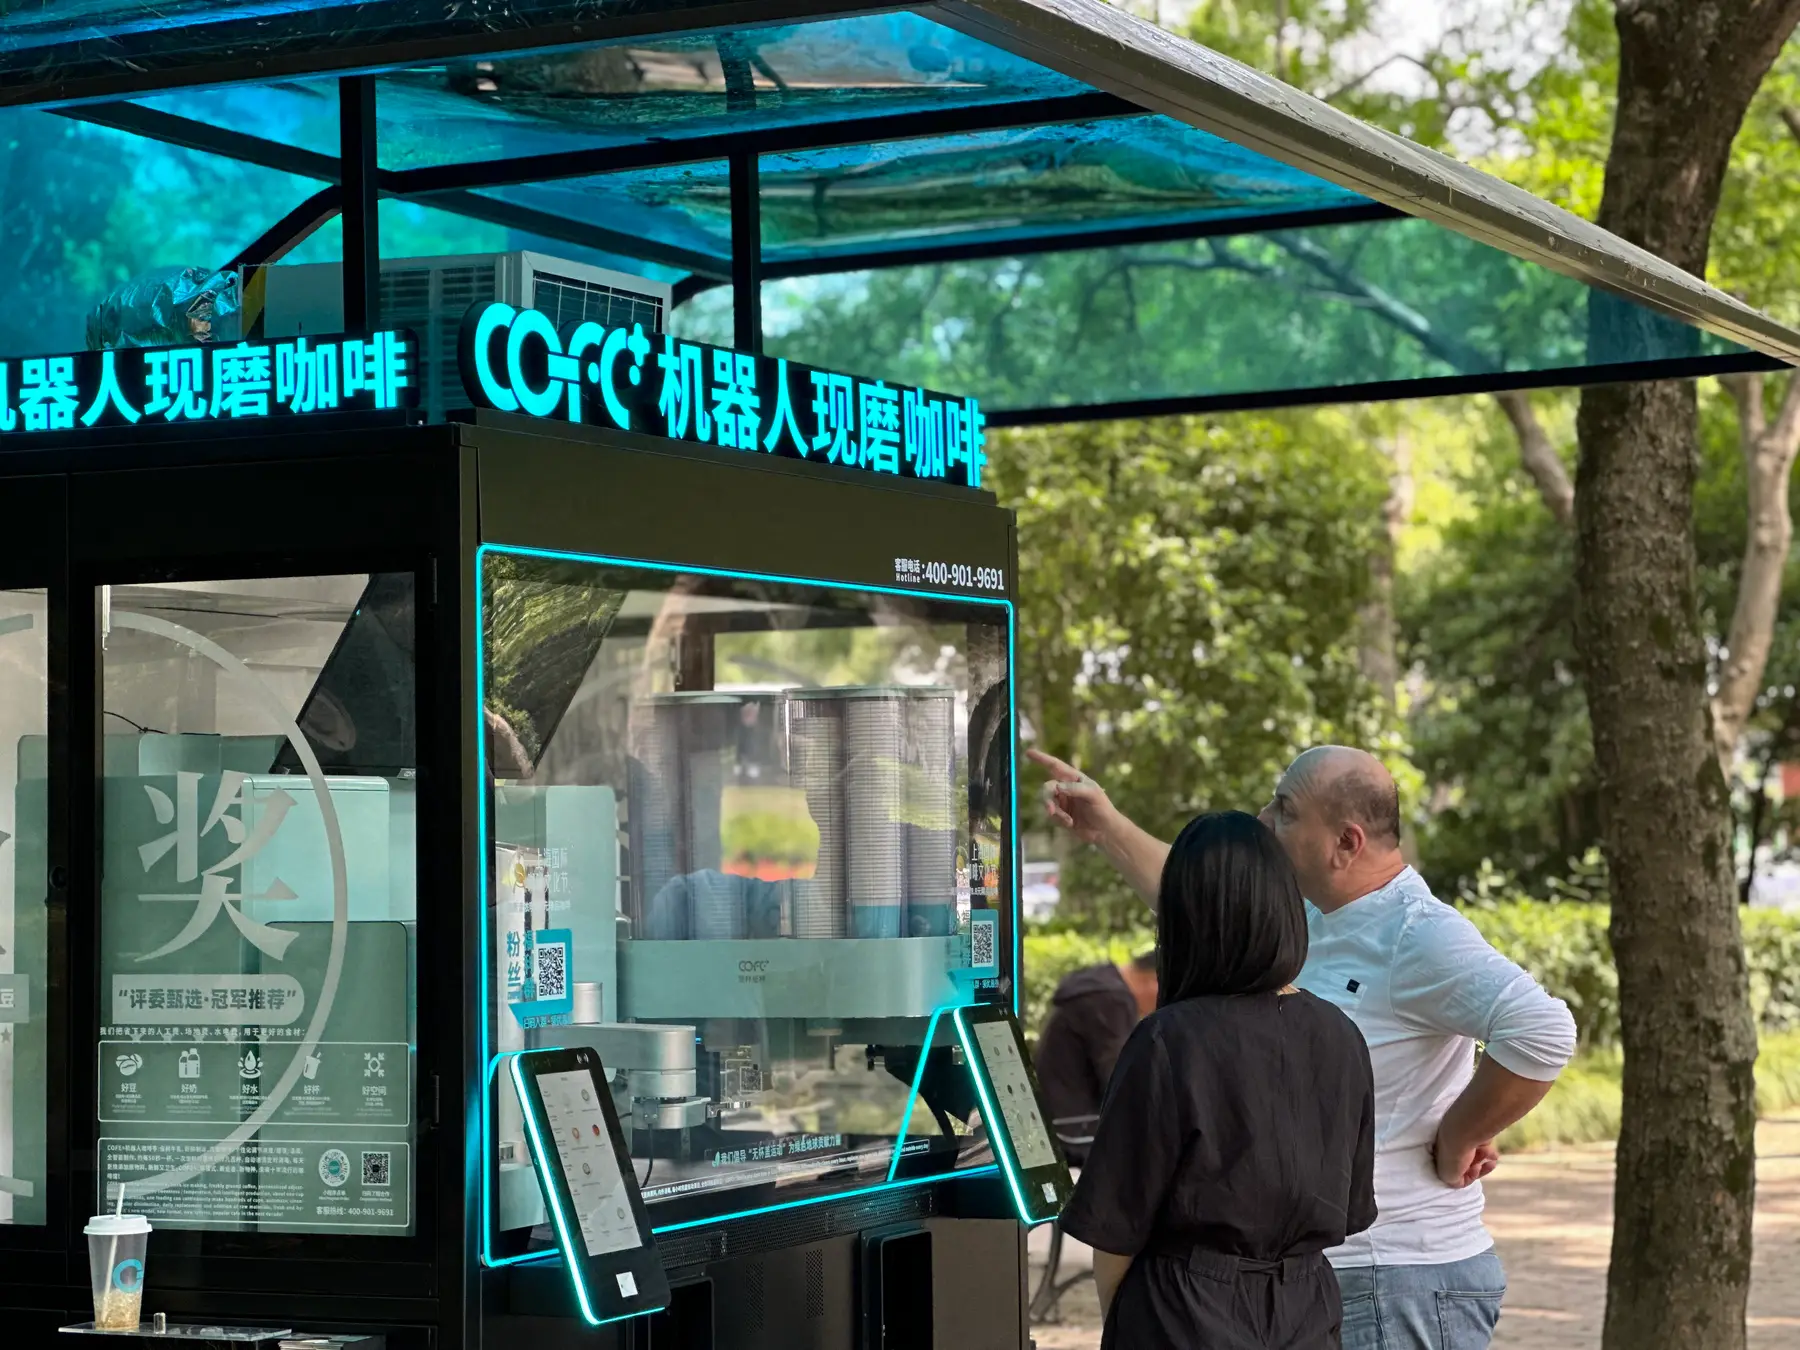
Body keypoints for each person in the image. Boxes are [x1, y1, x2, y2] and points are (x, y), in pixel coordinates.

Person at [1030, 745, 1578, 1350]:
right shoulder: (1309, 913)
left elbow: (1543, 1030)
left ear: (1346, 842)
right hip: (1317, 1282)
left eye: (1286, 809)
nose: (1264, 819)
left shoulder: (1415, 934)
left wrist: (1461, 1134)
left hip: (1401, 1278)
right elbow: (1208, 901)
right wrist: (1105, 825)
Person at [1060, 810, 1376, 1350]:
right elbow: (1351, 1208)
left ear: (1184, 921)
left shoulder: (1167, 1041)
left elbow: (1115, 1234)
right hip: (1307, 1309)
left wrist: (1130, 1326)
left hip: (1184, 1309)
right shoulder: (1341, 1035)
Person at [1033, 949, 1158, 1165]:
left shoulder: (1101, 986)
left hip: (1056, 1123)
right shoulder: (1111, 1000)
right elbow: (1122, 1083)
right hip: (1072, 1135)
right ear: (1153, 981)